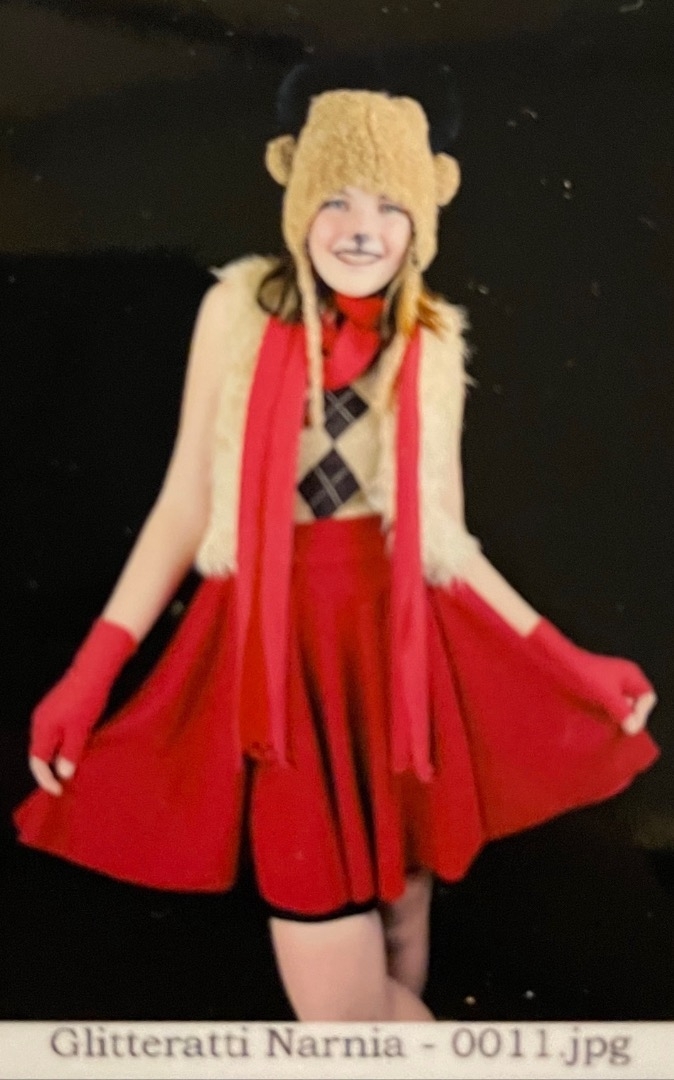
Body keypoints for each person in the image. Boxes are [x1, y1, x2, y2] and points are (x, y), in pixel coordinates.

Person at [14, 57, 659, 1022]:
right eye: (338, 199)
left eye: (391, 205)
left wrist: (574, 664)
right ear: (296, 194)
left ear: (426, 214)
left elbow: (445, 541)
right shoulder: (237, 310)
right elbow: (187, 504)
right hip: (278, 657)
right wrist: (91, 673)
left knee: (404, 936)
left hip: (396, 656)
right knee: (347, 1021)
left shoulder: (430, 341)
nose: (363, 228)